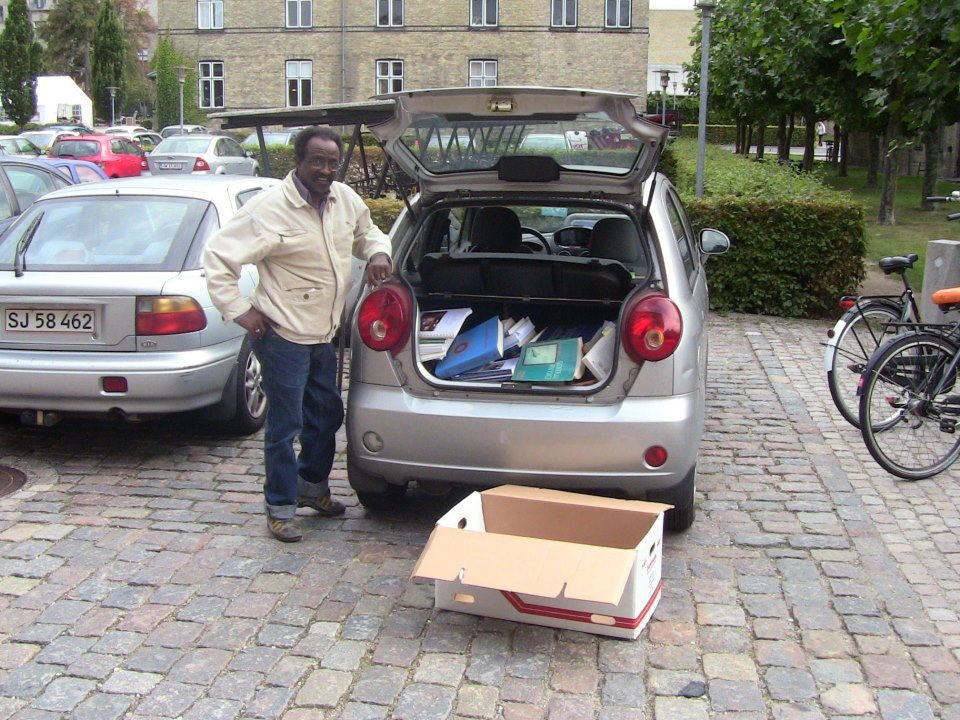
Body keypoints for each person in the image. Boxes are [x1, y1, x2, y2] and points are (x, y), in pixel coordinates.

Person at [203, 125, 392, 543]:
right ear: (300, 161)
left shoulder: (345, 199)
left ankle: (312, 488)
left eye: (332, 162)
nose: (325, 169)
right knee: (286, 425)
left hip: (324, 335)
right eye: (317, 161)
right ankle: (280, 506)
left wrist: (379, 253)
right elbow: (217, 258)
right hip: (283, 335)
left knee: (326, 416)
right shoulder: (268, 209)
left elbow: (367, 233)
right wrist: (240, 311)